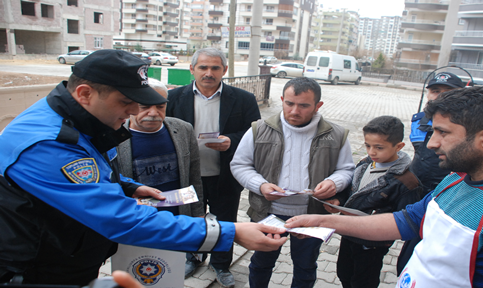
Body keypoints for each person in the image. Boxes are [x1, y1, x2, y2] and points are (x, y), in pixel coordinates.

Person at [0, 49, 287, 286]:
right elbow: (122, 219)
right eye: (126, 102)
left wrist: (128, 185)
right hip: (39, 269)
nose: (135, 112)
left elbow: (93, 171)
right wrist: (232, 232)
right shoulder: (47, 145)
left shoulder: (71, 117)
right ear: (85, 93)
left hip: (67, 255)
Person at [286, 86, 483, 288]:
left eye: (443, 133)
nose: (431, 144)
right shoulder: (456, 179)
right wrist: (322, 220)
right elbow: (407, 220)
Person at [230, 77, 355, 287]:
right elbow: (239, 165)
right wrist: (260, 186)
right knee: (261, 263)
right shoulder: (258, 129)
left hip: (312, 215)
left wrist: (335, 183)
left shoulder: (336, 134)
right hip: (268, 213)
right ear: (282, 100)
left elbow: (346, 169)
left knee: (305, 266)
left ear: (318, 106)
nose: (295, 111)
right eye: (289, 103)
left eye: (304, 105)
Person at [166, 47, 261, 287]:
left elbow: (256, 133)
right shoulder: (174, 98)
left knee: (224, 221)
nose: (209, 73)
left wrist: (232, 141)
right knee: (191, 220)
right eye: (203, 67)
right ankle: (194, 256)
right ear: (192, 69)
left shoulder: (243, 99)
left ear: (224, 70)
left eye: (215, 68)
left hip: (225, 176)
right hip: (188, 177)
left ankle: (220, 264)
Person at [116, 78, 205, 275]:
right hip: (138, 220)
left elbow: (194, 176)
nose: (154, 113)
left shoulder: (183, 129)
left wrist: (199, 213)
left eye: (160, 106)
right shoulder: (113, 134)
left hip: (176, 217)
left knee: (171, 273)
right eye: (145, 106)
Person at [325, 116, 424, 288]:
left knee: (363, 281)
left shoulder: (406, 181)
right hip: (349, 232)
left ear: (399, 146)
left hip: (372, 243)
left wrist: (380, 219)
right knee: (344, 273)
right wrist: (338, 200)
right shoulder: (365, 163)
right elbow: (353, 191)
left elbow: (404, 218)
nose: (372, 152)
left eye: (379, 147)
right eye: (367, 145)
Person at [398, 72, 466, 273]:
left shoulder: (467, 127)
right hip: (417, 189)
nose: (440, 96)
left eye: (448, 92)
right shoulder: (420, 121)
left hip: (446, 194)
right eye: (435, 91)